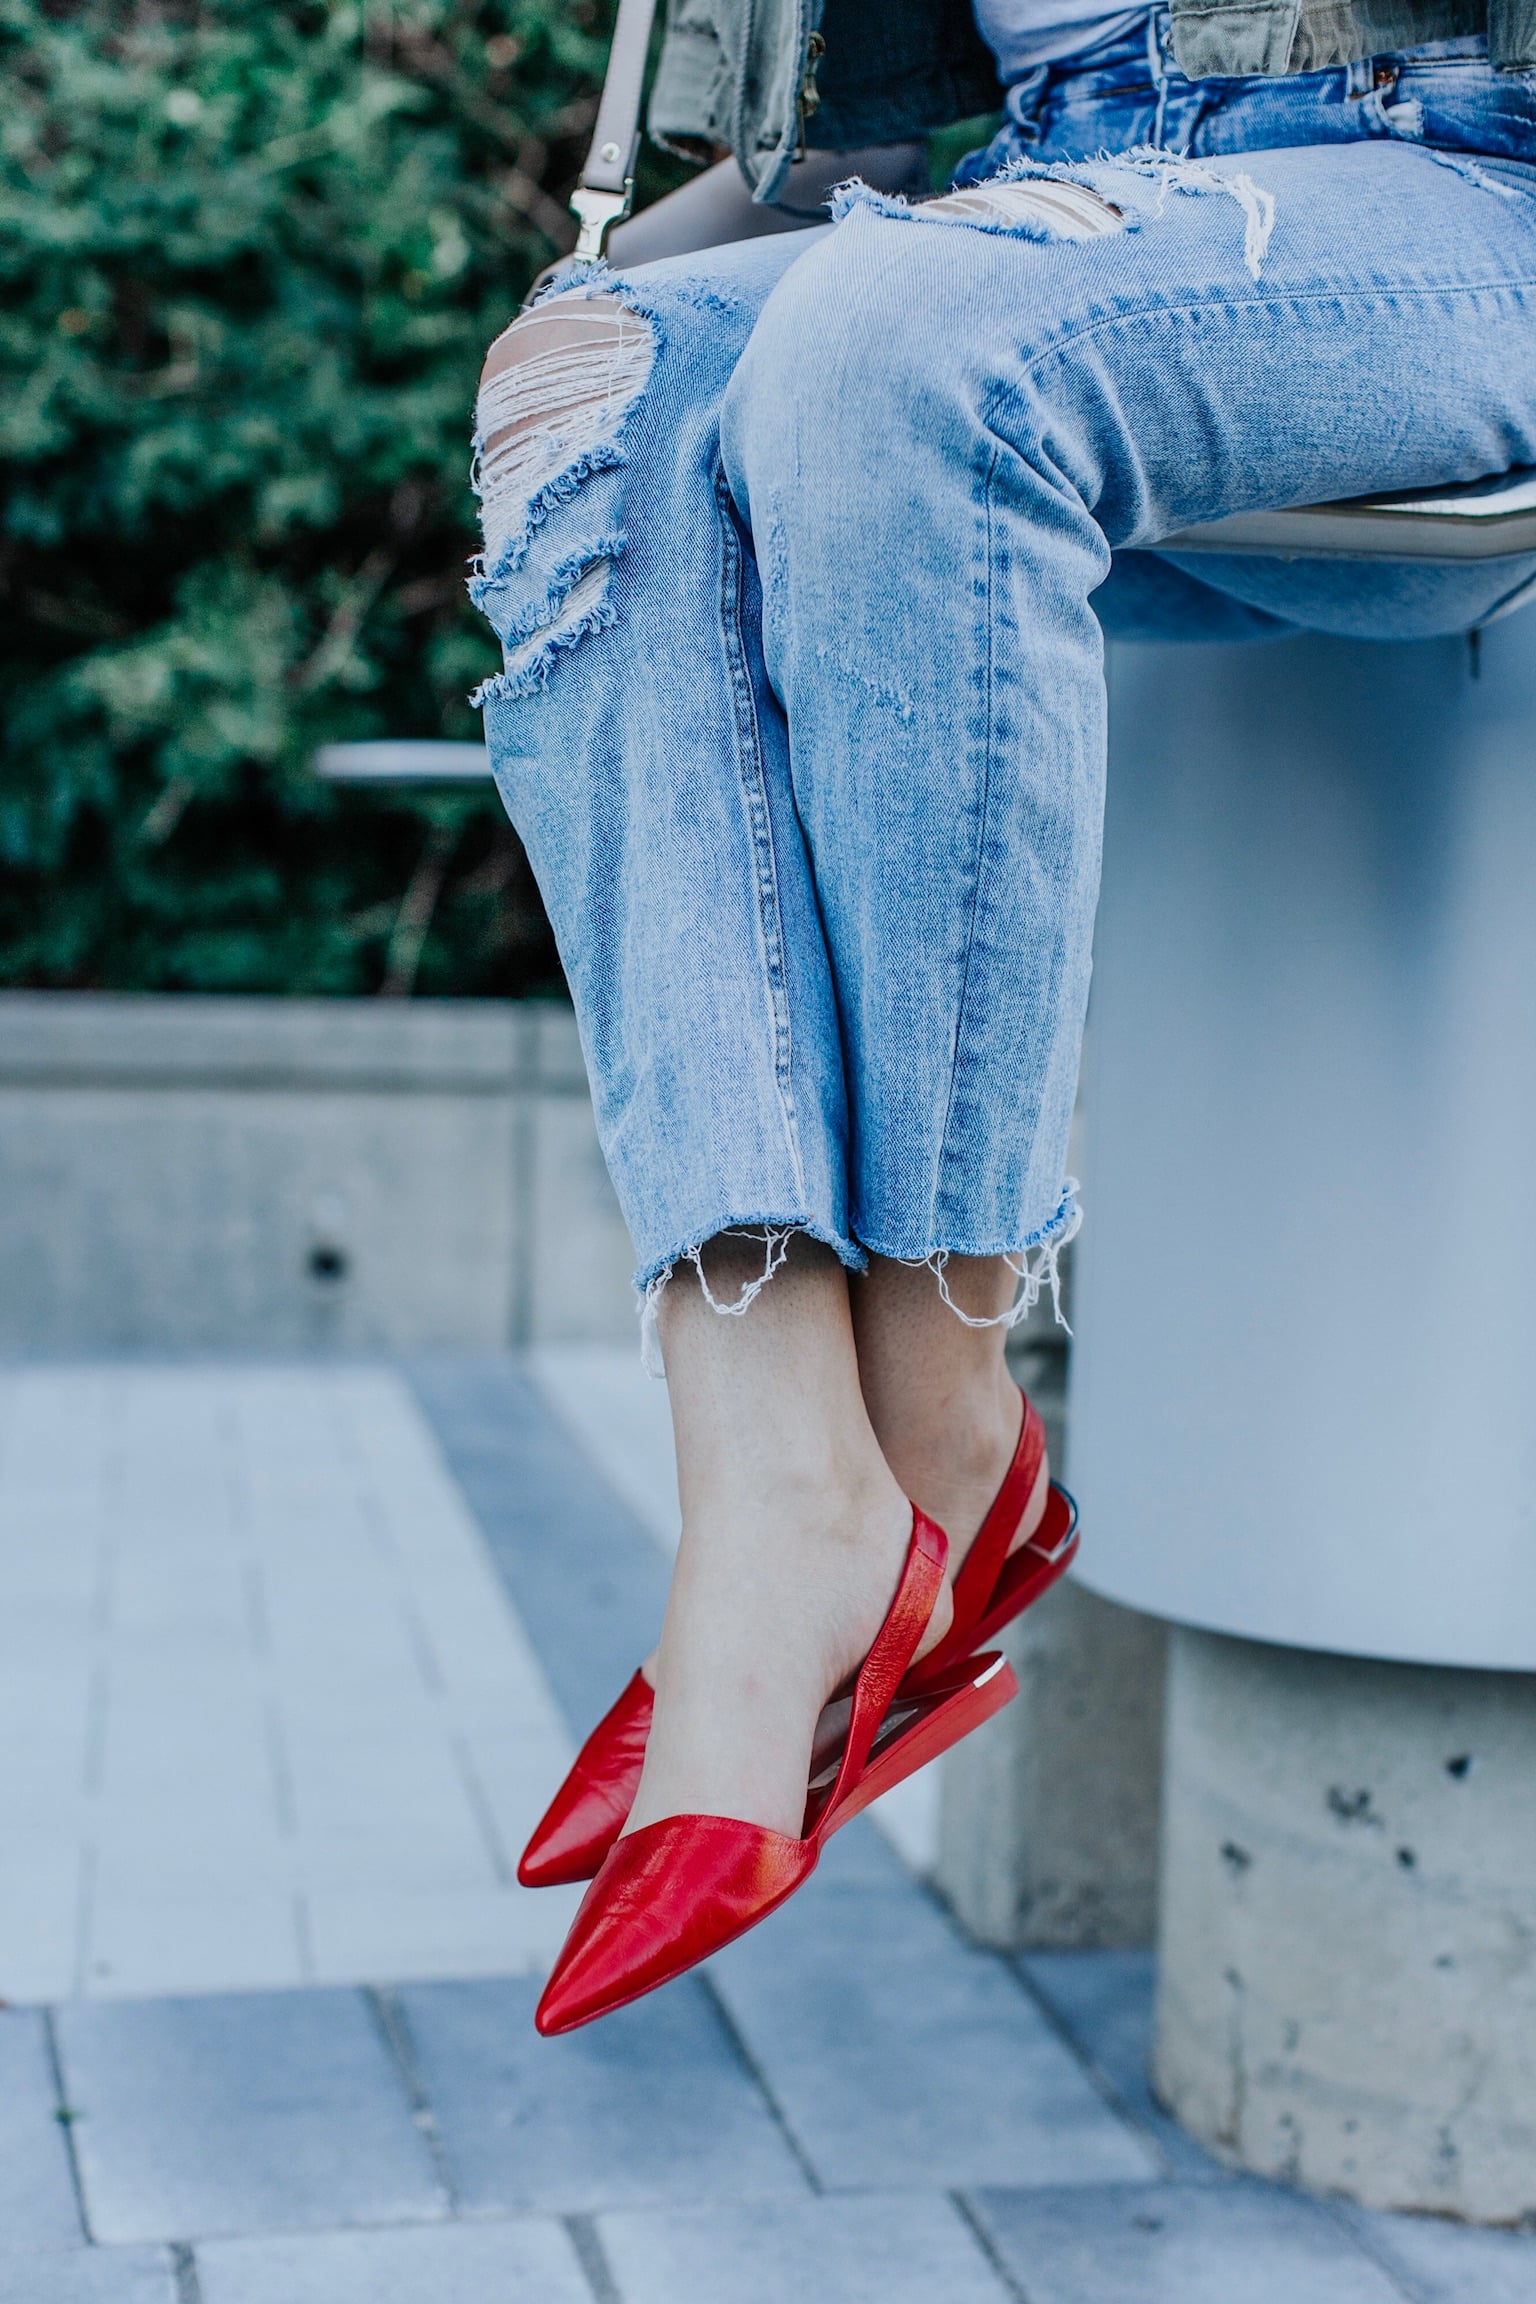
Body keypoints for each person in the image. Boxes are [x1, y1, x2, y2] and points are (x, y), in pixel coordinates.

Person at [470, 0, 1536, 2033]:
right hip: (1057, 201)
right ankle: (781, 1475)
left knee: (901, 347)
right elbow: (826, 133)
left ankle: (946, 1424)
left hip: (1458, 179)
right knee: (581, 385)